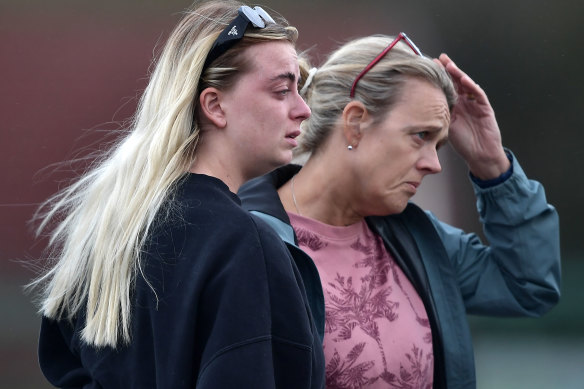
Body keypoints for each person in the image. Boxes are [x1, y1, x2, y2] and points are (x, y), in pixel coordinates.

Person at [239, 33, 561, 388]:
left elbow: (530, 286)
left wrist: (492, 165)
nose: (434, 164)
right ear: (356, 122)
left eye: (439, 143)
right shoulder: (247, 243)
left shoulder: (419, 241)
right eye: (421, 136)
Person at [30, 1, 325, 387]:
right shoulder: (242, 245)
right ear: (215, 106)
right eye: (282, 89)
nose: (303, 109)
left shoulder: (110, 232)